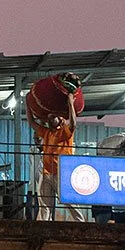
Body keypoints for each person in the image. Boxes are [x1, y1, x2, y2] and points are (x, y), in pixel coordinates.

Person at [26, 72, 83, 221]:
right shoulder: (46, 133)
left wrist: (70, 102)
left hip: (61, 173)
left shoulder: (65, 132)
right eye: (50, 116)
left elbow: (73, 124)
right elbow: (32, 123)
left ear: (61, 119)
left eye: (55, 116)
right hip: (47, 172)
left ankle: (80, 223)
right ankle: (45, 226)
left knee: (69, 202)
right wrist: (27, 104)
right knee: (44, 203)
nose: (51, 117)